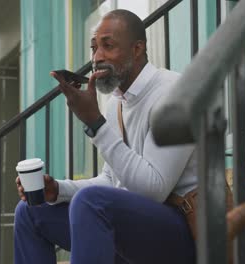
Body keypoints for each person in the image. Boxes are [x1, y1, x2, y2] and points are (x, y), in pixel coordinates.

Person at [14, 9, 197, 264]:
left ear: (137, 48)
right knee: (30, 211)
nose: (97, 58)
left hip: (186, 235)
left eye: (107, 46)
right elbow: (111, 181)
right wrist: (58, 190)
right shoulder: (118, 104)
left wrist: (95, 124)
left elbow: (154, 188)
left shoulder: (175, 94)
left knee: (91, 203)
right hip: (136, 231)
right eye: (94, 48)